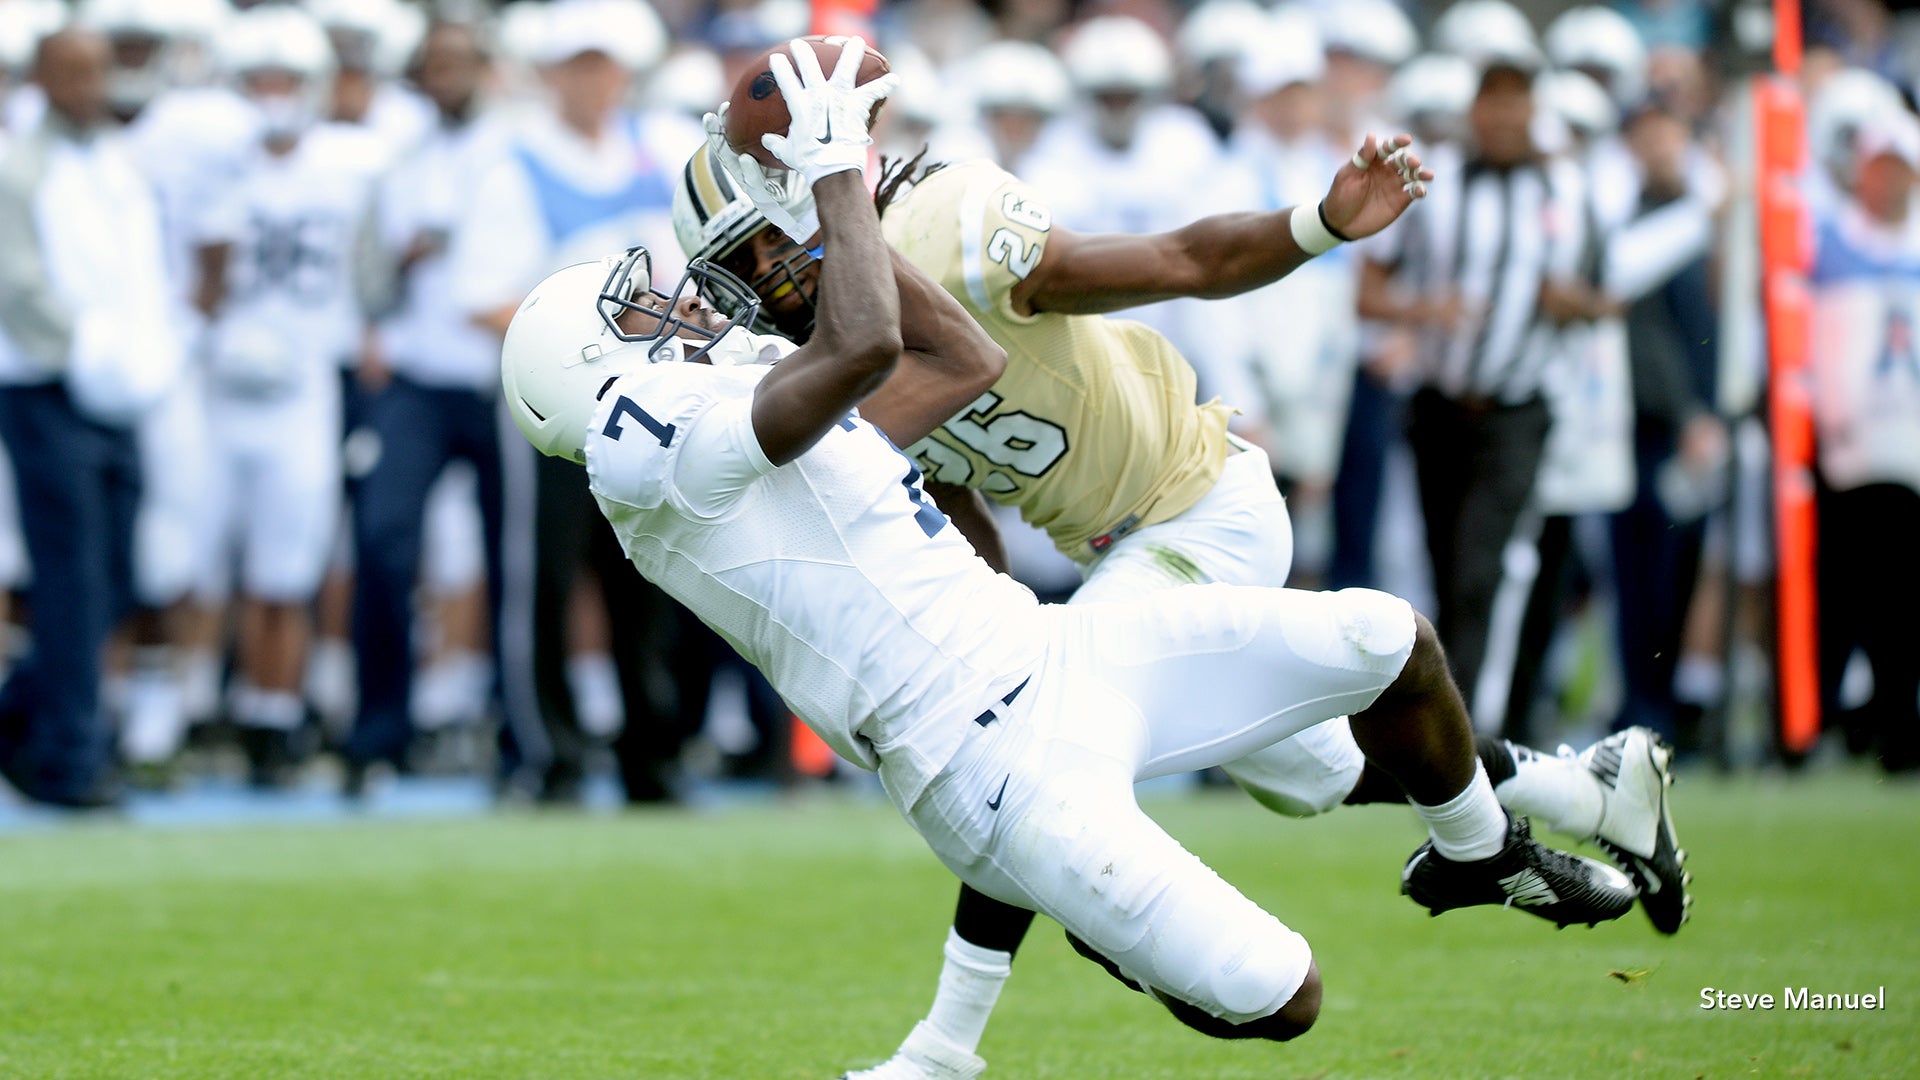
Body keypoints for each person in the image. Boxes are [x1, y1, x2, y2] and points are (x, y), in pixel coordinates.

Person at [509, 36, 1638, 1075]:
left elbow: (957, 355)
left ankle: (1482, 846)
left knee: (1387, 642)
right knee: (1294, 931)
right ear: (594, 379)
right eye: (640, 310)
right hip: (995, 738)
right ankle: (1573, 791)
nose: (689, 303)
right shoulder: (653, 453)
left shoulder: (803, 339)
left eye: (735, 261)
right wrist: (835, 179)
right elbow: (868, 351)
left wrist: (831, 195)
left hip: (1109, 590)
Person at [0, 25, 179, 807]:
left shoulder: (116, 163)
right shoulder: (17, 166)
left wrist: (145, 358)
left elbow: (142, 275)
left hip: (121, 392)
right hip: (49, 387)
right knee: (72, 575)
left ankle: (20, 722)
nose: (83, 89)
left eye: (93, 73)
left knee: (112, 578)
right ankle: (73, 757)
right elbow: (20, 285)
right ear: (41, 77)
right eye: (67, 75)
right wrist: (93, 355)